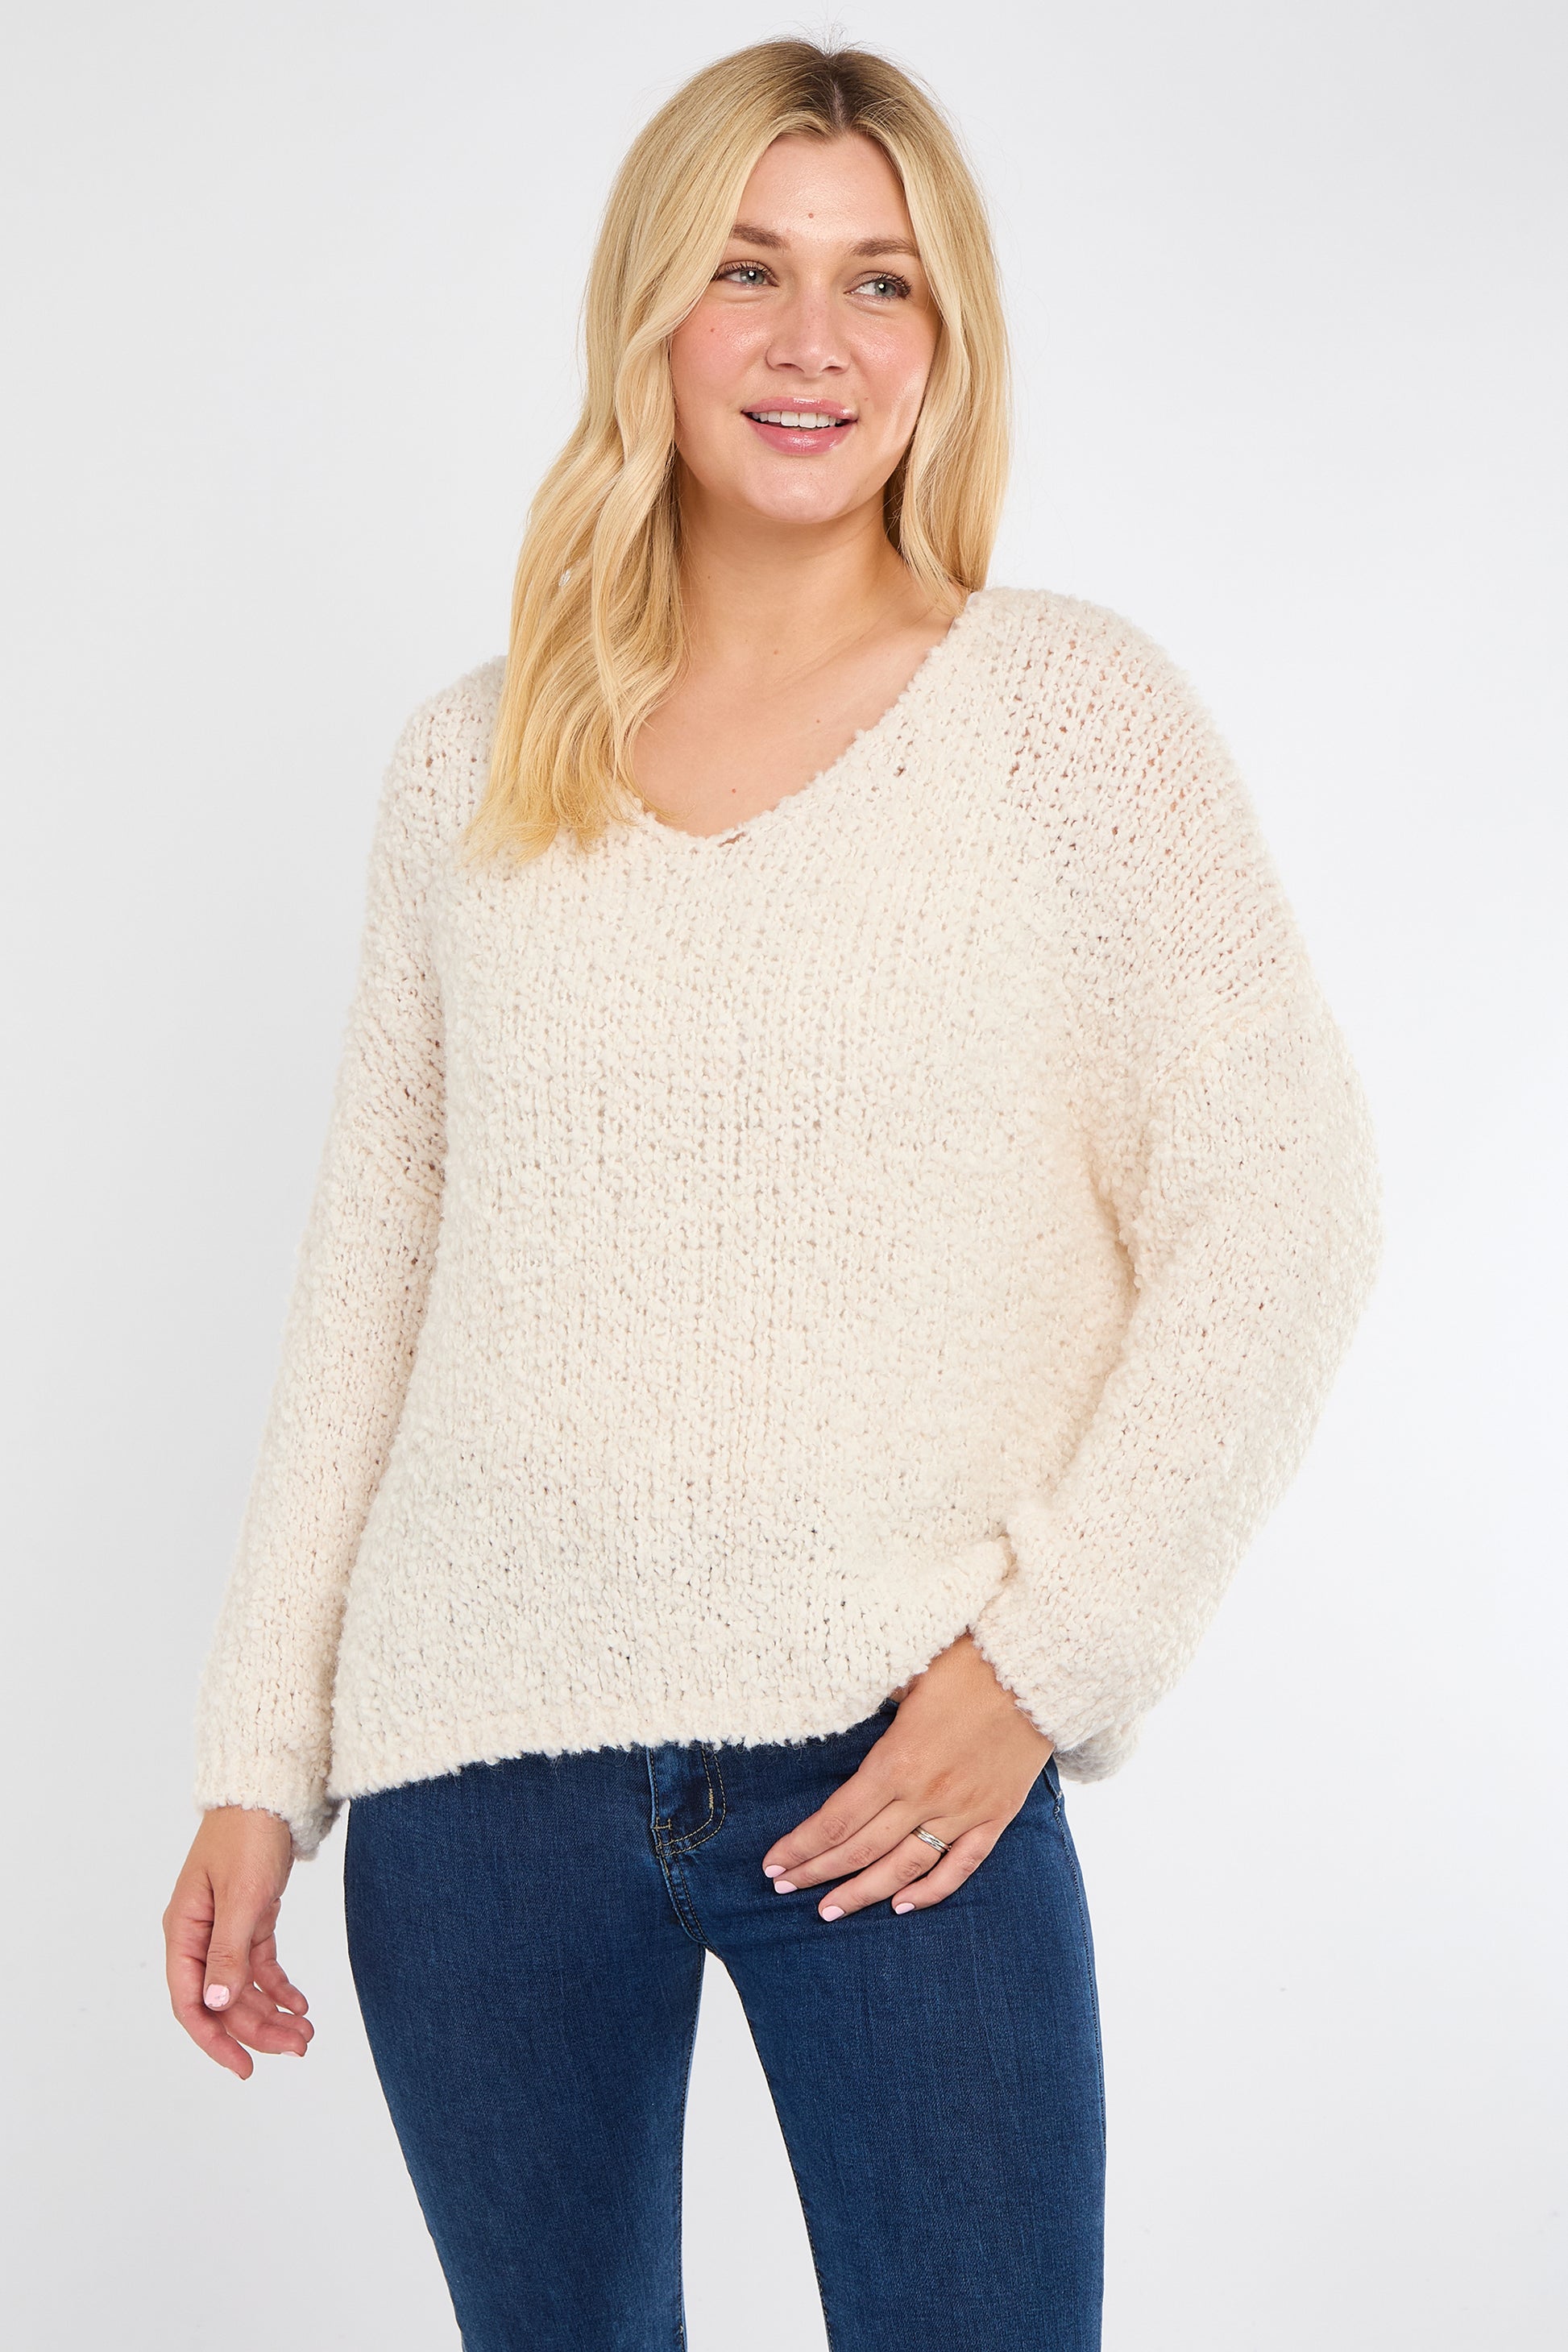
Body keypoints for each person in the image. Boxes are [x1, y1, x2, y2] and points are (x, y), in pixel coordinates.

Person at [163, 37, 1380, 2352]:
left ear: (946, 341)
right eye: (747, 269)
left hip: (895, 1763)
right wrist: (256, 1765)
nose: (813, 339)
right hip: (475, 1778)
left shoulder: (1068, 719)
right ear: (650, 312)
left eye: (877, 281)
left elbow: (1286, 1208)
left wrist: (1046, 1665)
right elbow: (370, 1284)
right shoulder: (470, 764)